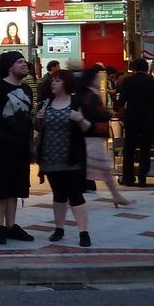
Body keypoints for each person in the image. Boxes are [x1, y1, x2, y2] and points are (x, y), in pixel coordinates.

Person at [0, 51, 35, 244]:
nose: (24, 64)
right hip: (1, 146)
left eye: (24, 61)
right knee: (0, 186)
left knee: (16, 187)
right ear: (10, 66)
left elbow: (29, 118)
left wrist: (32, 144)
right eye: (19, 61)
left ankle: (11, 225)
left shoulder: (27, 89)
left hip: (21, 146)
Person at [36, 68, 94, 246]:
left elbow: (87, 128)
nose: (53, 83)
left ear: (67, 84)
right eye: (53, 80)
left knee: (75, 195)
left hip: (71, 159)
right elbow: (39, 128)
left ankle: (83, 232)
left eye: (58, 80)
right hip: (51, 159)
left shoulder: (76, 103)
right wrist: (38, 119)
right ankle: (58, 228)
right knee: (58, 194)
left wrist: (79, 119)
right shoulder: (47, 103)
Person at [78, 73, 131, 207]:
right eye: (97, 79)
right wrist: (107, 113)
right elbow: (98, 114)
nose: (99, 81)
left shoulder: (82, 95)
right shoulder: (91, 96)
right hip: (92, 137)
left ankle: (116, 196)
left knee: (86, 168)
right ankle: (116, 196)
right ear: (91, 81)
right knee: (105, 168)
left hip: (86, 137)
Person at [116, 57, 154, 186]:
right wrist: (153, 108)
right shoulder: (153, 82)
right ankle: (142, 179)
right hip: (148, 119)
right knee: (145, 149)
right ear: (146, 68)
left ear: (133, 69)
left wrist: (123, 111)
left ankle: (128, 178)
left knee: (129, 149)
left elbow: (121, 101)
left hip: (131, 118)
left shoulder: (128, 81)